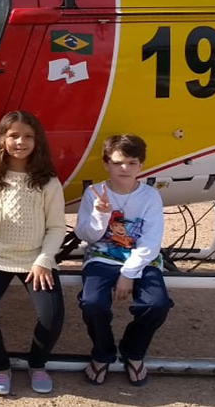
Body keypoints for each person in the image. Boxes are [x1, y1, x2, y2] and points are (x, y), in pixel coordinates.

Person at [0, 110, 66, 395]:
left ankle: (37, 364)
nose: (20, 142)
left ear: (37, 141)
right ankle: (1, 367)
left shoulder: (48, 181)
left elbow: (57, 228)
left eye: (27, 136)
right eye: (13, 135)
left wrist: (44, 261)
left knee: (52, 316)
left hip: (36, 259)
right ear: (2, 139)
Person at [74, 135, 172, 386]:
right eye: (118, 163)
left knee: (157, 304)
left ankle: (133, 351)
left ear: (141, 165)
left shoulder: (150, 196)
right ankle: (103, 352)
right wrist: (100, 214)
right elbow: (86, 235)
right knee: (92, 303)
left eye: (131, 163)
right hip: (102, 255)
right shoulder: (94, 192)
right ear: (106, 164)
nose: (124, 169)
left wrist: (128, 274)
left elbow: (150, 242)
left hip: (142, 258)